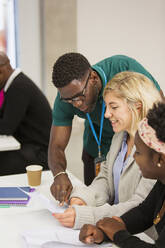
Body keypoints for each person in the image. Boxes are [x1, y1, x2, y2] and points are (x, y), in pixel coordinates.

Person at [52, 71, 162, 238]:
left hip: (142, 235)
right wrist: (84, 198)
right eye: (106, 106)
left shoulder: (154, 148)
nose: (106, 114)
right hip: (113, 229)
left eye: (114, 107)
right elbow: (105, 178)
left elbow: (140, 205)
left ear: (137, 106)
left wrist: (86, 215)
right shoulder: (120, 136)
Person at [49, 52, 164, 204]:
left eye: (80, 96)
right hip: (102, 150)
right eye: (69, 100)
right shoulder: (68, 96)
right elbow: (56, 146)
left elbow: (158, 110)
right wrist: (60, 174)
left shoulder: (124, 68)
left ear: (93, 78)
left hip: (138, 149)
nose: (76, 104)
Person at [79, 102, 165, 248]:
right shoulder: (162, 182)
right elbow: (145, 213)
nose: (134, 157)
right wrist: (106, 231)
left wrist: (118, 234)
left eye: (138, 152)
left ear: (160, 159)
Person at [0, 52, 52, 175]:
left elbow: (7, 127)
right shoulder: (14, 84)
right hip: (30, 147)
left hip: (40, 153)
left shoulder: (19, 87)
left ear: (4, 68)